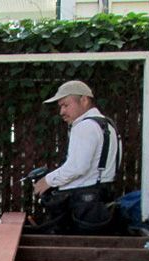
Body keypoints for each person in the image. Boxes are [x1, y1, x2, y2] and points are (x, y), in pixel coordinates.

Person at [30, 80, 121, 234]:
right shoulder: (107, 125)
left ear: (84, 100)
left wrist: (47, 181)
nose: (61, 112)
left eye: (66, 105)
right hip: (99, 201)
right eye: (60, 107)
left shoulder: (84, 126)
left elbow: (77, 167)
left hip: (83, 205)